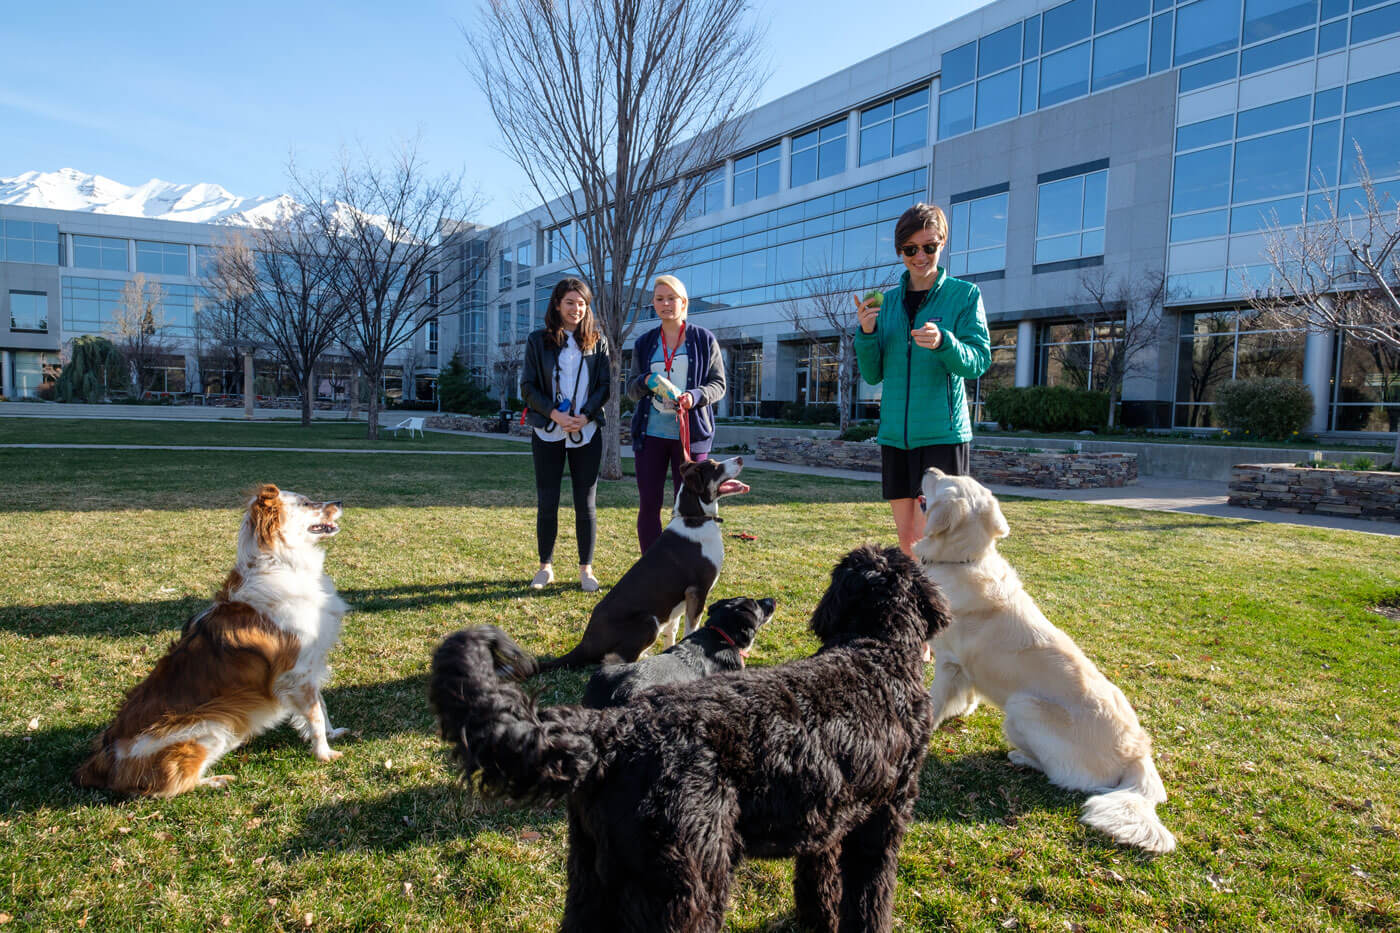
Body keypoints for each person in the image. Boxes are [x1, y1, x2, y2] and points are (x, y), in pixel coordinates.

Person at [854, 202, 991, 557]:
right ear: (900, 251)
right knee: (909, 542)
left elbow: (978, 362)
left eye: (929, 247)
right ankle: (919, 610)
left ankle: (946, 611)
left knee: (942, 543)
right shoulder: (887, 303)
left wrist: (946, 342)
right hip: (896, 438)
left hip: (942, 436)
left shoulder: (964, 295)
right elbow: (872, 373)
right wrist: (866, 332)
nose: (920, 256)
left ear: (942, 243)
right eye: (910, 249)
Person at [521, 277, 611, 592]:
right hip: (548, 430)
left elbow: (604, 387)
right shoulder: (537, 341)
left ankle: (586, 570)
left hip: (585, 432)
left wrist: (584, 415)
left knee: (585, 504)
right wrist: (555, 413)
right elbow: (528, 387)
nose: (576, 309)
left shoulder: (598, 341)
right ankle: (545, 567)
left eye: (582, 303)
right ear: (558, 304)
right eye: (570, 302)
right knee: (547, 502)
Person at [627, 274, 727, 553]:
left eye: (672, 298)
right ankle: (651, 565)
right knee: (649, 504)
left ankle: (687, 563)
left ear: (684, 302)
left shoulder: (703, 339)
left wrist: (694, 396)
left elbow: (718, 385)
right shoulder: (644, 343)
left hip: (691, 437)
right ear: (653, 305)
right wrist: (646, 381)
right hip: (651, 436)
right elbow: (631, 390)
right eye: (659, 299)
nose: (666, 303)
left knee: (690, 503)